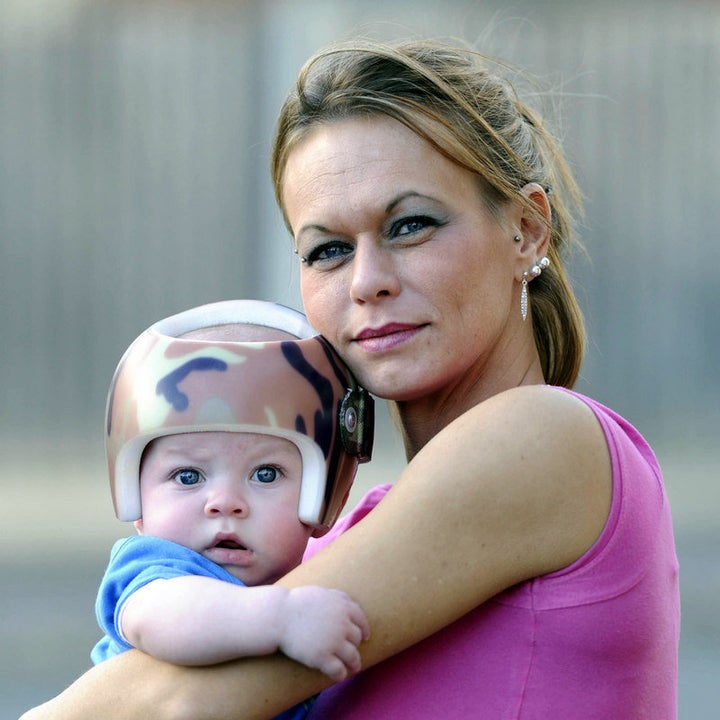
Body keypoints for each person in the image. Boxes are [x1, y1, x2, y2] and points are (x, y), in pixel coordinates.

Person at [20, 37, 679, 720]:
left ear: (526, 230)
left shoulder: (542, 438)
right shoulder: (317, 540)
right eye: (328, 250)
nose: (366, 282)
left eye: (411, 225)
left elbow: (172, 704)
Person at [91, 298, 373, 719]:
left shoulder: (317, 577)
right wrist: (281, 619)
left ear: (324, 495)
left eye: (265, 474)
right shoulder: (156, 568)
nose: (225, 502)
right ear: (135, 495)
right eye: (188, 476)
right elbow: (166, 619)